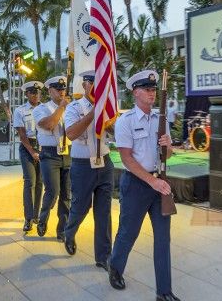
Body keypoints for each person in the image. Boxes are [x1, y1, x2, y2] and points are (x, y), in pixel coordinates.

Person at [108, 70, 179, 301]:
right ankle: (115, 267)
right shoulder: (125, 122)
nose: (152, 93)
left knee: (163, 239)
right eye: (147, 89)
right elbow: (127, 159)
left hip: (159, 182)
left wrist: (168, 146)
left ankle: (164, 292)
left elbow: (167, 155)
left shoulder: (161, 118)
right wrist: (153, 182)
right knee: (128, 233)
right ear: (135, 93)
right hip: (136, 184)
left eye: (153, 89)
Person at [62, 71, 113, 270]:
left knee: (104, 212)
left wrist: (109, 117)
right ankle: (69, 231)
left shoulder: (108, 107)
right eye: (91, 84)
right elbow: (72, 134)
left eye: (99, 84)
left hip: (105, 162)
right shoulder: (75, 107)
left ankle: (103, 256)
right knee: (81, 207)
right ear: (84, 85)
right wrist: (94, 113)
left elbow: (115, 131)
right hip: (83, 164)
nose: (95, 88)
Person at [33, 76, 71, 241]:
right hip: (49, 154)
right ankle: (43, 218)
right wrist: (62, 108)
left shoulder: (71, 108)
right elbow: (49, 124)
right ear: (49, 91)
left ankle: (62, 229)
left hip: (68, 152)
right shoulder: (41, 109)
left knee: (66, 194)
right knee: (53, 191)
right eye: (58, 89)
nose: (61, 92)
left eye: (63, 89)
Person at [13, 81, 44, 232]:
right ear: (26, 94)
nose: (36, 95)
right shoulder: (20, 110)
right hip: (27, 147)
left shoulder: (46, 109)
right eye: (32, 92)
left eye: (38, 92)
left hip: (44, 145)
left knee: (40, 183)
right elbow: (22, 135)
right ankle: (28, 218)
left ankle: (37, 215)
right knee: (29, 181)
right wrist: (32, 152)